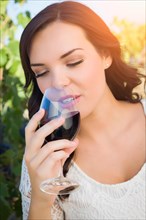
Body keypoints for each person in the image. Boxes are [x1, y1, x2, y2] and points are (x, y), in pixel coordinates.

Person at [19, 1, 146, 219]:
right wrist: (41, 198)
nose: (58, 83)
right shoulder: (43, 159)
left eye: (74, 62)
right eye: (41, 72)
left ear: (106, 55)